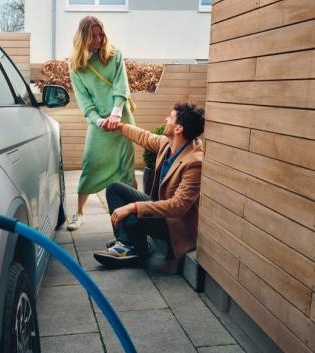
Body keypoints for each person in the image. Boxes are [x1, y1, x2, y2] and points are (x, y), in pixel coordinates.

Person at [93, 103, 205, 272]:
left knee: (132, 216)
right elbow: (144, 137)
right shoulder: (167, 144)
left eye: (171, 117)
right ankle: (127, 244)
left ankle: (136, 249)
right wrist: (119, 126)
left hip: (174, 223)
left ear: (178, 129)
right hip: (159, 208)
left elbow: (178, 206)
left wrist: (134, 207)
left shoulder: (194, 162)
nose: (166, 119)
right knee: (114, 188)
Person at [66, 16, 136, 231]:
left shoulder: (114, 55)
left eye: (100, 34)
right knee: (90, 163)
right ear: (83, 37)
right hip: (99, 124)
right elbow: (85, 102)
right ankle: (79, 214)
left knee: (127, 167)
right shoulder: (76, 66)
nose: (98, 39)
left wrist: (115, 115)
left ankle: (135, 213)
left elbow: (120, 87)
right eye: (93, 35)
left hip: (121, 118)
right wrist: (98, 120)